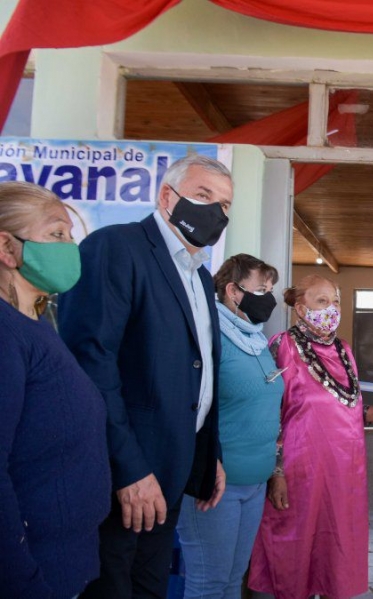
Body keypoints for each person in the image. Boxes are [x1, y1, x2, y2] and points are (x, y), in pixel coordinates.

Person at [59, 154, 232, 598]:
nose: (216, 212)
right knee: (112, 587)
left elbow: (197, 372)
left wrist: (206, 454)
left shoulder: (200, 275)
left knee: (149, 588)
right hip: (125, 478)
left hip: (170, 473)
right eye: (203, 195)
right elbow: (91, 363)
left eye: (225, 205)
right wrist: (129, 469)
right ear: (166, 196)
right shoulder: (116, 247)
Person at [248, 274, 373, 599]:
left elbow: (345, 410)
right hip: (300, 476)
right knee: (293, 559)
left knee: (334, 560)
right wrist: (276, 472)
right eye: (322, 301)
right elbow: (267, 415)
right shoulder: (282, 347)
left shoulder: (344, 350)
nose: (332, 309)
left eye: (335, 301)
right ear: (300, 308)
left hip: (343, 478)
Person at [0, 182, 110, 598]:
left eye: (70, 235)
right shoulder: (6, 334)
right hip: (33, 574)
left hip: (63, 560)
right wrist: (24, 582)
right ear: (7, 248)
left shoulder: (37, 323)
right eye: (56, 234)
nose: (70, 247)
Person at [176, 254, 283, 599]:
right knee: (209, 583)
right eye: (262, 289)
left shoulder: (256, 340)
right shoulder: (208, 336)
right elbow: (186, 407)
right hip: (217, 483)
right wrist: (207, 461)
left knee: (233, 580)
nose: (269, 298)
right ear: (233, 291)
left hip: (254, 482)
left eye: (270, 290)